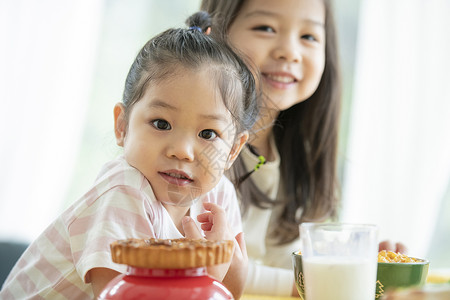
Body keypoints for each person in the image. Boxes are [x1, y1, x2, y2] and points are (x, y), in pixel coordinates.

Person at [0, 11, 258, 300]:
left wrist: (230, 263)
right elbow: (122, 296)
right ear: (122, 126)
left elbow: (231, 292)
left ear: (234, 149)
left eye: (208, 134)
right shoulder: (124, 192)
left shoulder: (218, 197)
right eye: (161, 124)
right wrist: (206, 276)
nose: (182, 151)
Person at [200, 0, 406, 297]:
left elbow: (279, 260)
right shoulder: (196, 147)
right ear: (212, 33)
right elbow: (213, 260)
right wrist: (314, 281)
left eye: (308, 36)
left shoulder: (290, 152)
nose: (290, 52)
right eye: (265, 28)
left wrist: (349, 264)